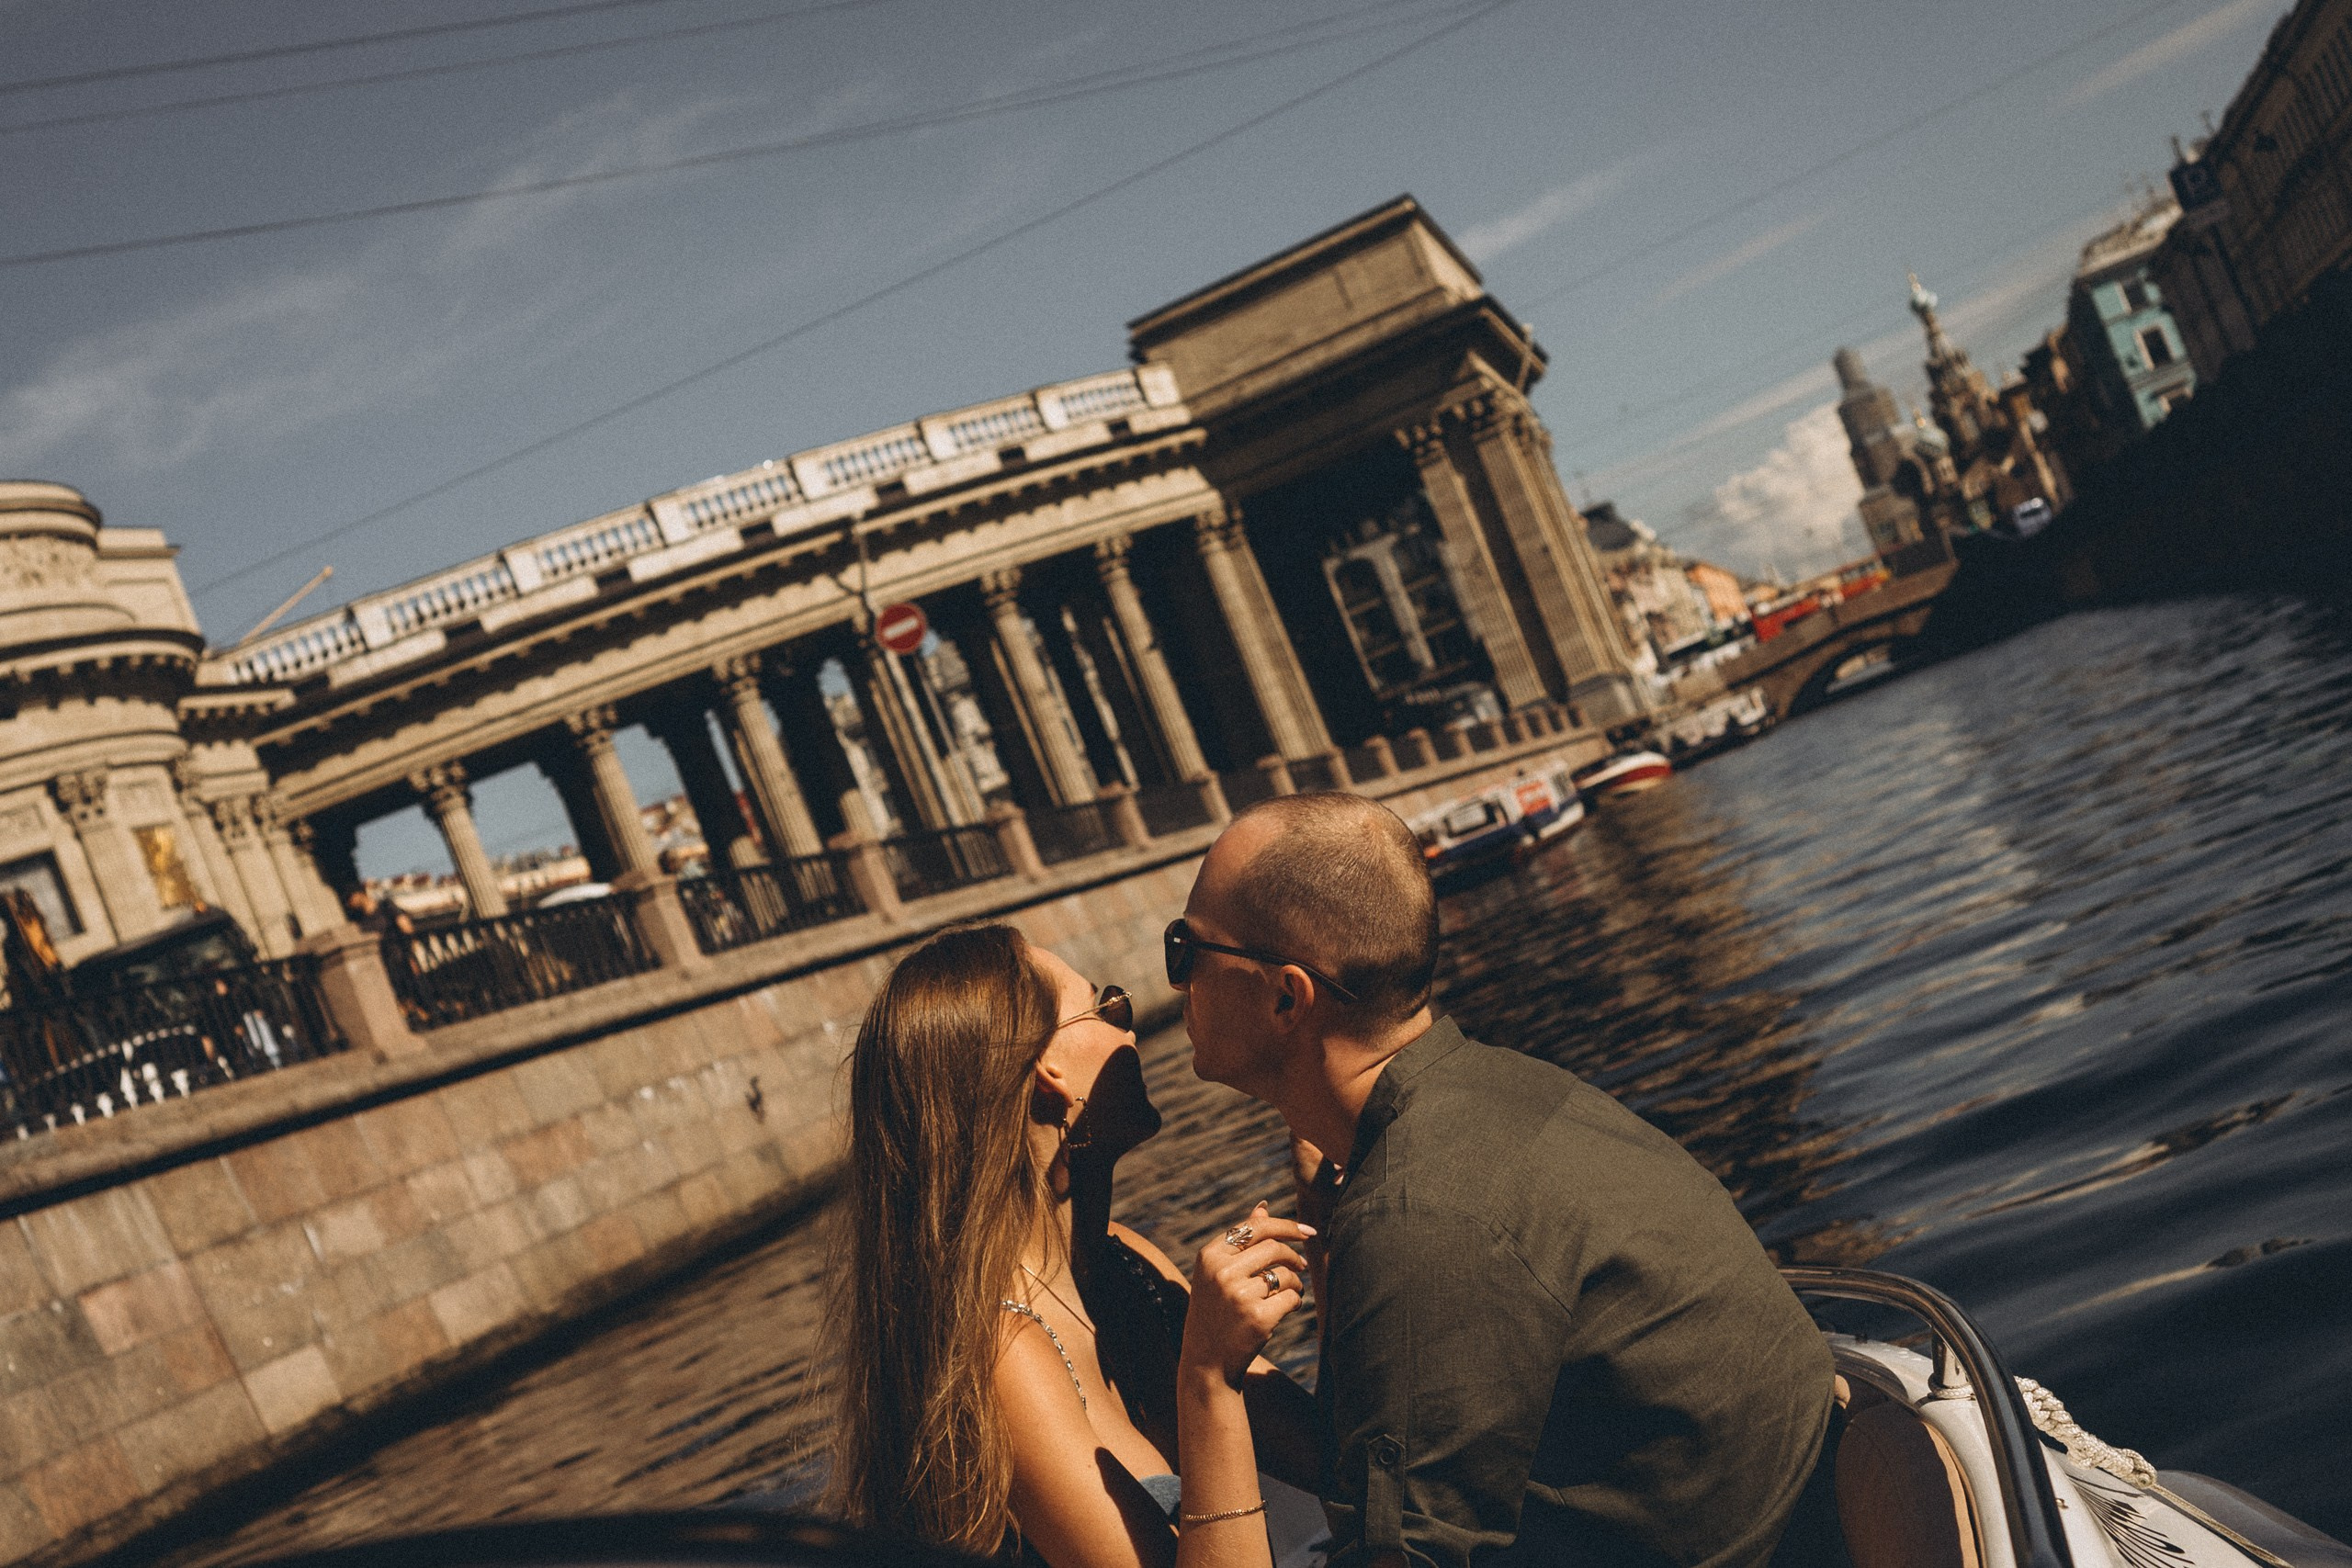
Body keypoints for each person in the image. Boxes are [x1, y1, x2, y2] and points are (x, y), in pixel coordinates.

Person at [1171, 793, 1838, 1568]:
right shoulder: (1504, 1090)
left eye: (1186, 950)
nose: (1178, 980)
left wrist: (1206, 1383)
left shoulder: (1419, 1215)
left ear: (1287, 995)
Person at [831, 923, 1320, 1568]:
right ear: (1047, 1076)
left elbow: (1338, 1459)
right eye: (1107, 1006)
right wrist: (1208, 1377)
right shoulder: (1004, 1356)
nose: (1131, 1030)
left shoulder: (1123, 1262)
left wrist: (1325, 1218)